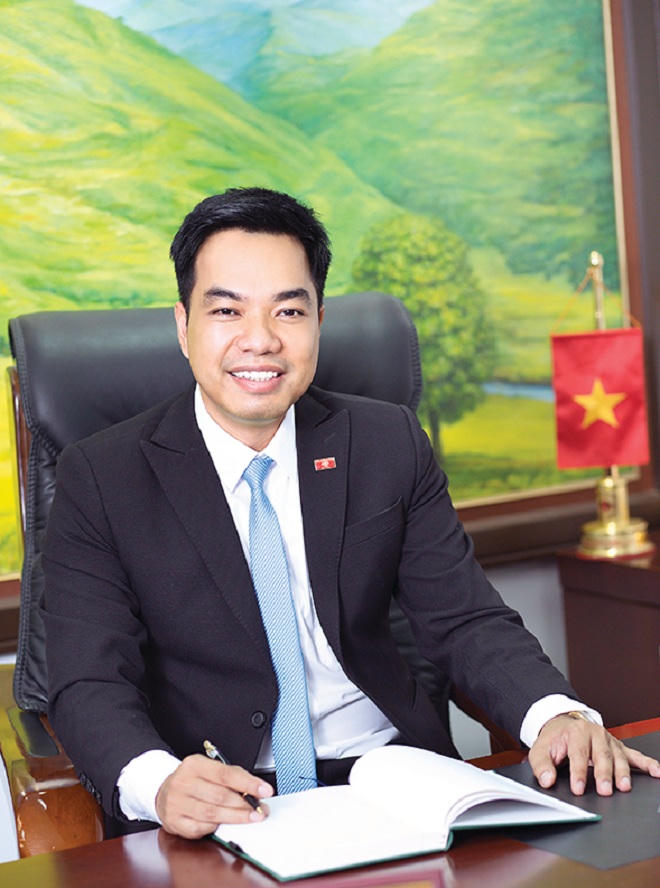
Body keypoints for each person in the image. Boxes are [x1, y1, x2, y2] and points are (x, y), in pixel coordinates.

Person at [43, 188, 659, 840]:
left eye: (288, 310)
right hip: (225, 799)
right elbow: (88, 680)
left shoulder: (385, 441)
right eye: (227, 310)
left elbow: (464, 619)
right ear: (182, 325)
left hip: (392, 778)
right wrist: (159, 782)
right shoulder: (102, 477)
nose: (260, 340)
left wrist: (555, 714)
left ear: (319, 321)